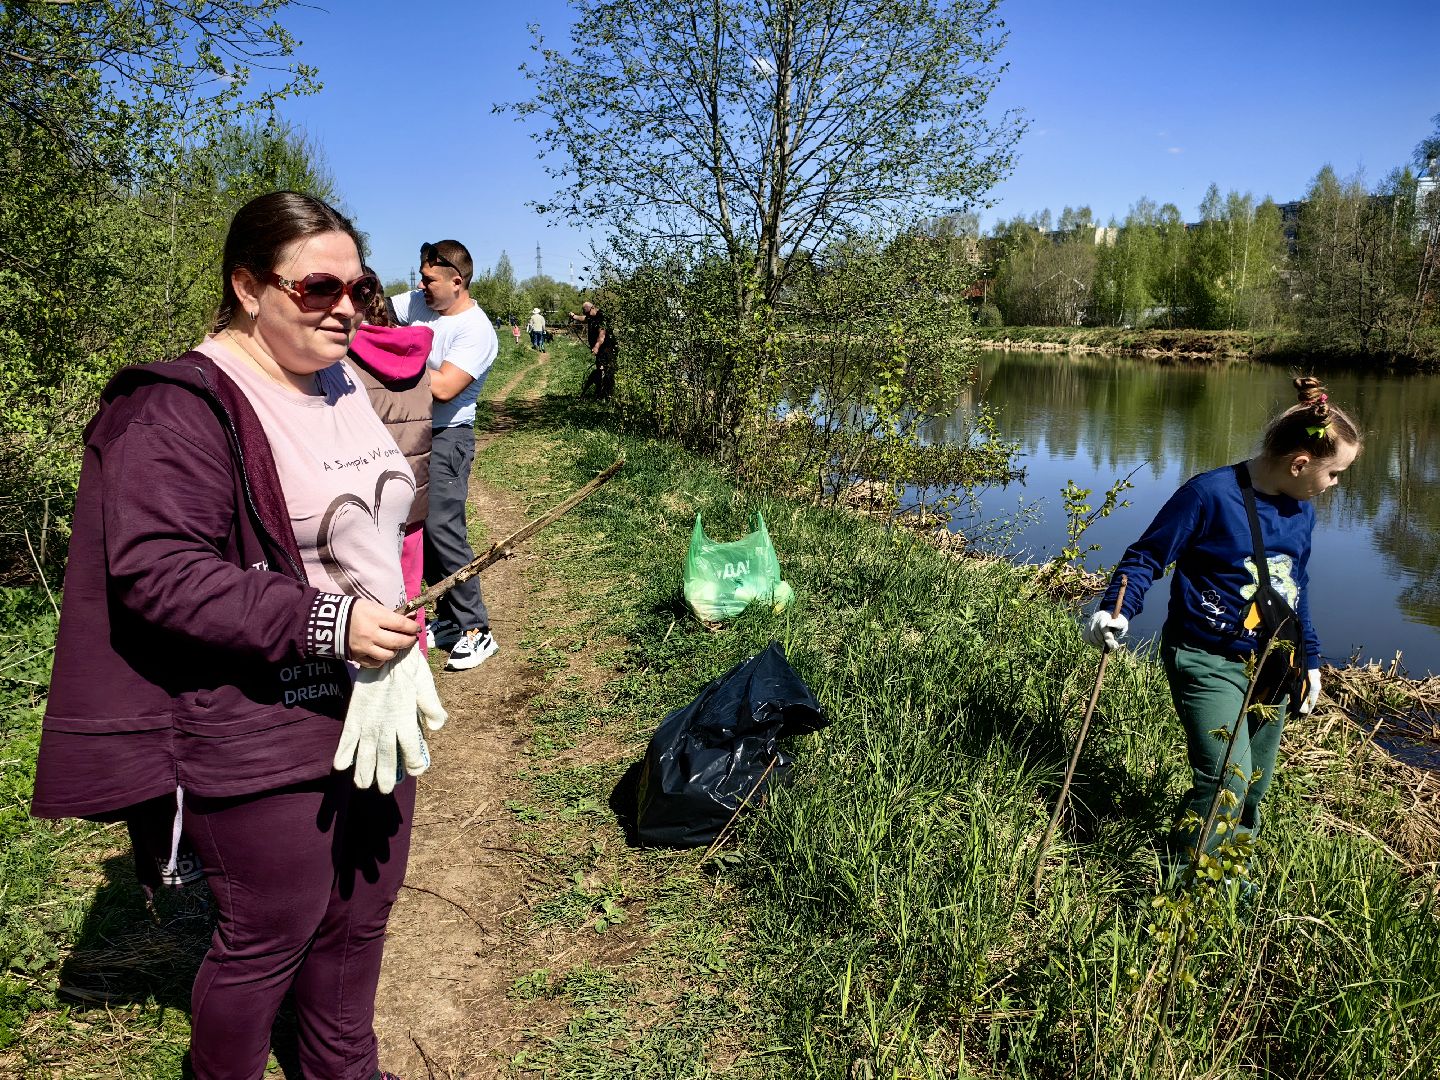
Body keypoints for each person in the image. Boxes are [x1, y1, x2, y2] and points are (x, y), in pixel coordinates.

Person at [31, 191, 442, 1080]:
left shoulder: (340, 382)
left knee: (360, 919)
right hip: (253, 719)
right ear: (249, 285)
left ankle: (344, 1068)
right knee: (269, 938)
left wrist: (399, 609)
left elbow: (365, 528)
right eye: (318, 286)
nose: (345, 306)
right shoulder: (182, 406)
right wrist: (327, 621)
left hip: (373, 705)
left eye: (360, 287)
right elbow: (156, 571)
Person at [1084, 377, 1361, 875]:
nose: (1336, 484)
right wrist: (1116, 609)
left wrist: (1311, 660)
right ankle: (1190, 888)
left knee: (1255, 783)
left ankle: (1232, 882)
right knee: (1225, 783)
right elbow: (1146, 557)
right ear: (1300, 464)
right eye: (1335, 473)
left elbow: (1296, 588)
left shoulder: (1302, 512)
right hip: (1206, 659)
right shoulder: (1208, 496)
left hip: (1273, 666)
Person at [390, 241, 500, 671]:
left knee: (444, 528)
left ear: (457, 281)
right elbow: (376, 312)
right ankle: (451, 619)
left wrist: (391, 356)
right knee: (422, 526)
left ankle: (478, 628)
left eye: (429, 279)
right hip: (412, 434)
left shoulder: (476, 330)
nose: (420, 286)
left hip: (449, 436)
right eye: (420, 276)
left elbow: (444, 388)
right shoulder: (418, 302)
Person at [350, 271, 435, 652]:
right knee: (411, 589)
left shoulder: (342, 359)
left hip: (367, 501)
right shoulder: (416, 353)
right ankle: (414, 666)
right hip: (414, 493)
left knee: (368, 594)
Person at [568, 299, 617, 399]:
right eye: (587, 314)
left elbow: (602, 336)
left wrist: (596, 347)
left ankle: (608, 394)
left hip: (608, 348)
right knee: (600, 369)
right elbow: (584, 318)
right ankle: (600, 393)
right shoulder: (591, 316)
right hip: (600, 350)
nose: (588, 315)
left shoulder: (601, 317)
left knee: (608, 370)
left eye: (588, 313)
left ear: (593, 308)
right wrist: (574, 316)